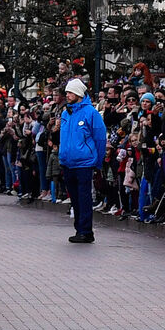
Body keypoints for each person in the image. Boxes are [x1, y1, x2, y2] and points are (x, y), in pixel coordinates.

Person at [60, 79, 107, 245]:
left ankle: (86, 231)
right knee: (74, 198)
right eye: (67, 92)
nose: (67, 95)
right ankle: (79, 229)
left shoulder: (91, 113)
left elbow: (100, 138)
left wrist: (98, 162)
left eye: (70, 92)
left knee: (84, 198)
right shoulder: (66, 113)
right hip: (68, 162)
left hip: (84, 163)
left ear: (78, 93)